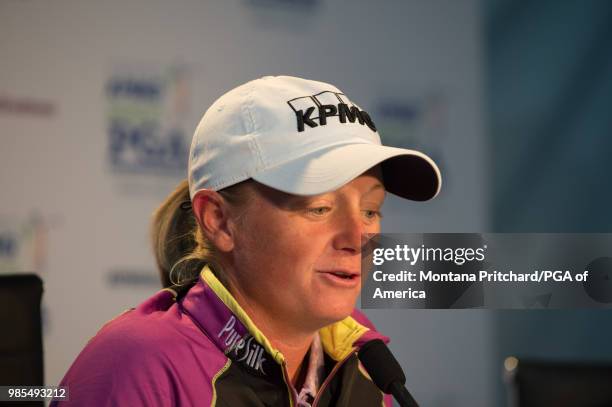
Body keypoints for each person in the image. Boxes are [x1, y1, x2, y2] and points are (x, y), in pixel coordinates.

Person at [52, 76, 441, 406]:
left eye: (370, 211)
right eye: (320, 208)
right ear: (219, 221)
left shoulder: (366, 365)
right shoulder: (135, 365)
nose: (356, 239)